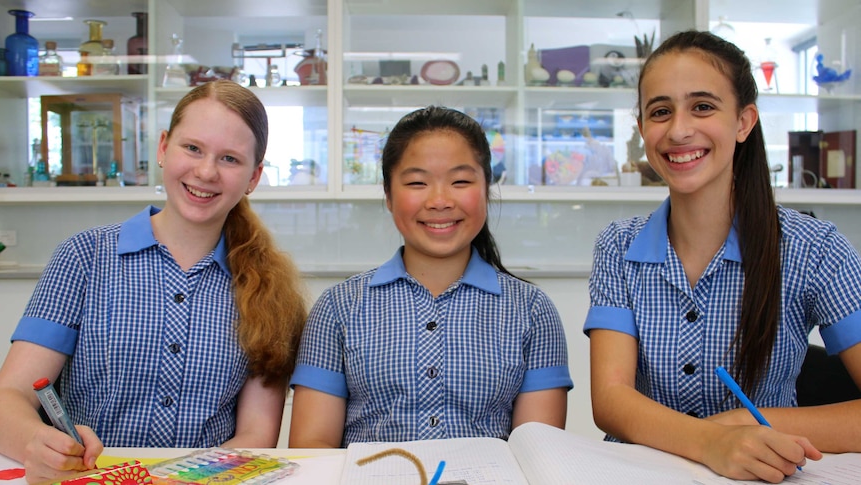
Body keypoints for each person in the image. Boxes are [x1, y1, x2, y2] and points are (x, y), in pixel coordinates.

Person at [584, 30, 861, 483]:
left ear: (744, 122)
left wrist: (744, 425)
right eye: (660, 112)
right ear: (641, 130)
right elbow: (611, 401)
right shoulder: (618, 246)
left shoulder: (816, 248)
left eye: (703, 106)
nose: (678, 130)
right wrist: (709, 442)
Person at [0, 80, 307, 483]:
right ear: (163, 148)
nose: (206, 171)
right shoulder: (84, 257)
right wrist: (37, 442)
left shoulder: (272, 293)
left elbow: (255, 436)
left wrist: (174, 481)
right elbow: (10, 397)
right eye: (192, 148)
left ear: (254, 177)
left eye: (230, 159)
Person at [289, 106, 573, 448]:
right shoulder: (339, 308)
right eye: (417, 183)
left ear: (487, 188)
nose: (440, 200)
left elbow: (538, 452)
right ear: (389, 195)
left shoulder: (532, 311)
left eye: (461, 181)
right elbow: (313, 447)